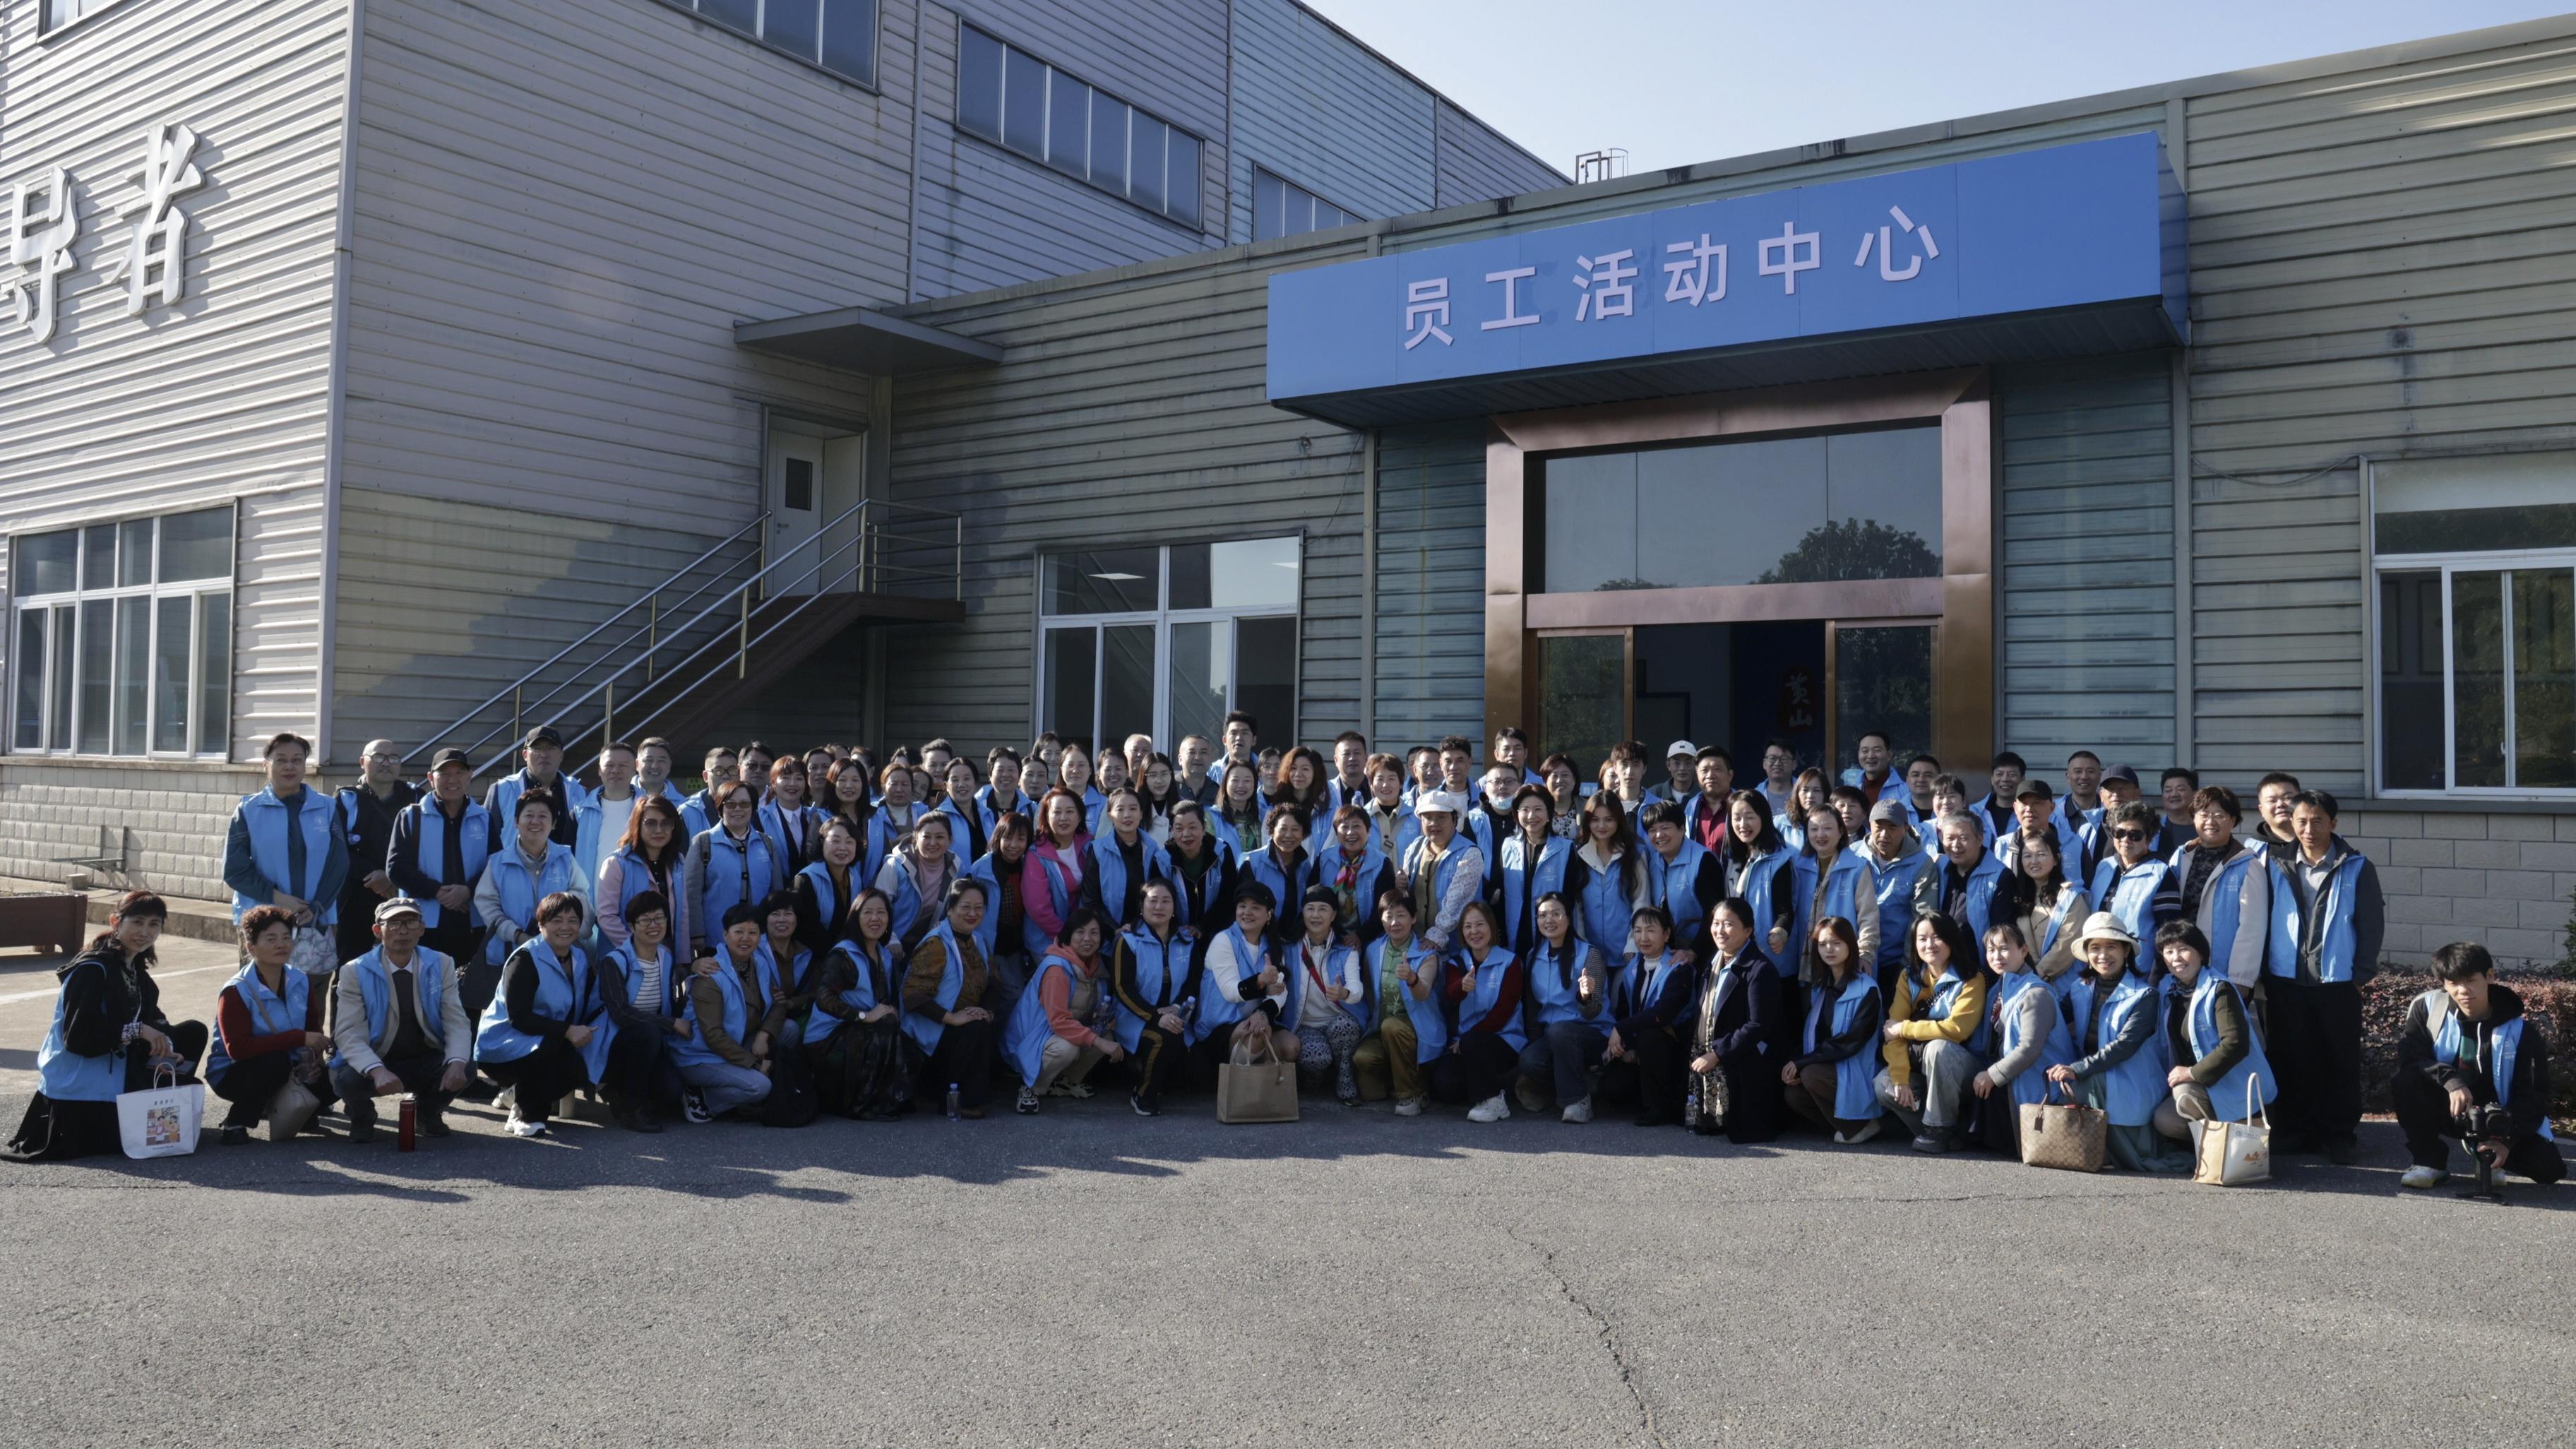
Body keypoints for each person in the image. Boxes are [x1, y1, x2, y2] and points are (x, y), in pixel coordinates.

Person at [8, 892, 208, 1163]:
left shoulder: (135, 970)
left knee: (192, 1033)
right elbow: (78, 1039)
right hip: (83, 1087)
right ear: (115, 921)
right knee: (146, 1131)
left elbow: (153, 1019)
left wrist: (165, 1049)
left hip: (118, 1071)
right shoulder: (91, 970)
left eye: (154, 924)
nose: (145, 932)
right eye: (137, 922)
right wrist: (138, 1031)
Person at [2263, 789, 2384, 1164]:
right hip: (2285, 979)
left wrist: (2359, 975)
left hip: (2338, 981)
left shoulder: (2357, 866)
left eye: (2317, 821)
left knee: (2339, 1060)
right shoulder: (2273, 863)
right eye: (2301, 821)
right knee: (2290, 1056)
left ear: (2333, 822)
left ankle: (2339, 1134)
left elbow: (2371, 924)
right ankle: (2295, 1130)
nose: (2309, 829)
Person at [2392, 941, 2563, 1189]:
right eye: (2453, 983)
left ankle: (2484, 1152)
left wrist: (2507, 1140)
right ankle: (2429, 1161)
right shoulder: (2428, 1009)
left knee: (2549, 1169)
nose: (2463, 990)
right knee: (2406, 1080)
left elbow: (2534, 1093)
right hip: (2448, 1105)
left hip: (2498, 1116)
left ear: (2489, 976)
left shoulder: (2519, 1030)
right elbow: (2412, 1057)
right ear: (2443, 984)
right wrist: (2451, 1081)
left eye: (2471, 980)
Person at [2045, 913, 2186, 1172]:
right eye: (2095, 948)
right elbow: (2052, 1019)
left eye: (2111, 947)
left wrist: (2077, 1069)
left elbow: (2125, 1046)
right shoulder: (2079, 988)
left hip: (2131, 1079)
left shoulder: (2145, 995)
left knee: (2089, 1082)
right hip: (2094, 1072)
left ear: (2125, 951)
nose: (2103, 955)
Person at [328, 897, 472, 1144]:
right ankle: (362, 1116)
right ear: (377, 930)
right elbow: (348, 1034)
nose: (403, 931)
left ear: (422, 929)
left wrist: (457, 1062)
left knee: (465, 1066)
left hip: (423, 1057)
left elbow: (455, 1020)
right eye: (393, 924)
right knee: (345, 1080)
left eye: (411, 923)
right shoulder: (354, 970)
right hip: (376, 1058)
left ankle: (427, 1113)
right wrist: (377, 1070)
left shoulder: (442, 963)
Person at [471, 891, 609, 1138]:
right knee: (549, 1047)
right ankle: (528, 1116)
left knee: (579, 1067)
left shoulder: (579, 957)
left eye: (573, 920)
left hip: (550, 1041)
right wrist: (567, 1031)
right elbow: (519, 1018)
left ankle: (517, 1098)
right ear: (541, 923)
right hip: (502, 1047)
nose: (565, 927)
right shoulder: (525, 958)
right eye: (557, 920)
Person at [206, 905, 336, 1145]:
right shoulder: (236, 990)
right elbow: (238, 1049)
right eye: (271, 939)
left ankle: (299, 1111)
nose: (281, 945)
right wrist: (298, 1038)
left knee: (339, 1073)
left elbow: (313, 1030)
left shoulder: (301, 979)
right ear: (251, 947)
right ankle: (237, 1121)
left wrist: (314, 1061)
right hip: (236, 1073)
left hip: (291, 1066)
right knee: (275, 1063)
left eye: (286, 937)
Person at [2149, 922, 2277, 1157]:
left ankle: (2231, 1148)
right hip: (2204, 1087)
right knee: (2165, 1119)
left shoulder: (2220, 989)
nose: (2176, 958)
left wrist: (2191, 1073)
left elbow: (2235, 1045)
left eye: (2183, 949)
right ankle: (2215, 1148)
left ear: (2201, 952)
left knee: (2184, 1094)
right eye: (2169, 951)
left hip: (2232, 1086)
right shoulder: (2170, 990)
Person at [1873, 912, 1988, 1155]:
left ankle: (1939, 1128)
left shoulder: (1972, 978)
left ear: (1951, 939)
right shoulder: (1909, 977)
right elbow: (1891, 1034)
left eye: (1937, 937)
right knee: (1884, 1084)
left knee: (1938, 1048)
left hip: (1964, 1067)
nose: (1929, 945)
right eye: (1922, 938)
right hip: (1921, 1065)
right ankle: (1945, 1133)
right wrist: (1900, 1077)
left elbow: (1956, 1030)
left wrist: (1904, 1028)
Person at [388, 748, 495, 998]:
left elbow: (496, 866)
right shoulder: (411, 816)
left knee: (468, 1001)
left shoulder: (484, 818)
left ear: (470, 776)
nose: (452, 779)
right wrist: (438, 892)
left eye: (459, 773)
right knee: (424, 998)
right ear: (430, 777)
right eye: (444, 773)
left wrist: (468, 891)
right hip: (424, 927)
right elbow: (396, 868)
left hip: (472, 926)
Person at [224, 731, 350, 942]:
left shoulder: (327, 807)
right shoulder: (248, 809)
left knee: (316, 966)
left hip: (315, 919)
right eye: (281, 760)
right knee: (265, 966)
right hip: (263, 921)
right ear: (265, 765)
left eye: (297, 760)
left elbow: (338, 863)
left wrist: (317, 905)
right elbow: (235, 870)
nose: (289, 766)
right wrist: (278, 898)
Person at [801, 888, 914, 1120]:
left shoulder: (883, 955)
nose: (875, 918)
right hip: (827, 1040)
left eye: (881, 913)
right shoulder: (843, 955)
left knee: (902, 1034)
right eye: (868, 912)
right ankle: (861, 1105)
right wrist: (865, 1016)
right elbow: (824, 998)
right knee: (881, 1028)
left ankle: (887, 1098)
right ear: (855, 917)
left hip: (857, 1031)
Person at [668, 902, 784, 1122]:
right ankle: (701, 1099)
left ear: (760, 936)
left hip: (736, 1044)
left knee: (789, 1031)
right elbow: (713, 1036)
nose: (746, 938)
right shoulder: (711, 973)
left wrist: (764, 1035)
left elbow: (779, 1002)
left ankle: (730, 1090)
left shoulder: (759, 964)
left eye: (753, 933)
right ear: (725, 934)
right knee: (760, 1086)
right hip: (700, 1056)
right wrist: (755, 1064)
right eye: (739, 932)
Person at [1004, 907, 1126, 1114]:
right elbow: (1058, 1021)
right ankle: (1030, 1086)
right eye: (1080, 932)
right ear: (1068, 935)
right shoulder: (1057, 969)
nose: (1087, 939)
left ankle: (1064, 1082)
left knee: (1106, 1035)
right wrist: (1097, 1041)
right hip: (1033, 1039)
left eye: (1094, 933)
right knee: (1069, 1048)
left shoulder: (1097, 967)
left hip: (1059, 1033)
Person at [1968, 922, 2074, 1158]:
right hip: (2012, 1077)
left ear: (2024, 950)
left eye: (2004, 949)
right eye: (1991, 950)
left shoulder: (2036, 994)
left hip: (2037, 1085)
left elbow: (2029, 1049)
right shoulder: (1998, 990)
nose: (1997, 956)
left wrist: (1992, 1075)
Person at [588, 889, 689, 1132]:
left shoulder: (666, 957)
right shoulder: (614, 961)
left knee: (671, 1091)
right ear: (632, 927)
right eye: (645, 920)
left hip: (647, 1042)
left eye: (660, 918)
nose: (654, 925)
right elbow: (621, 1014)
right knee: (647, 1033)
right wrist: (670, 1023)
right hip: (610, 1043)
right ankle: (632, 1111)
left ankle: (619, 1092)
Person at [1684, 898, 1782, 1142]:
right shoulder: (1713, 963)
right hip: (1716, 1051)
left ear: (1748, 931)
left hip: (1745, 1057)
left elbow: (1757, 1025)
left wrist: (1717, 1054)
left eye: (1728, 924)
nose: (1719, 930)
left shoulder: (1760, 969)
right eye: (1716, 923)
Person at [900, 879, 1000, 1117]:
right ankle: (956, 1100)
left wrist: (986, 1011)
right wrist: (951, 1018)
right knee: (974, 1029)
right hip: (931, 1035)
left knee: (983, 1024)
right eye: (965, 907)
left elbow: (994, 984)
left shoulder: (979, 941)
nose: (973, 913)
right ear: (951, 908)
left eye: (979, 908)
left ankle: (970, 1096)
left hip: (964, 1024)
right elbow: (912, 995)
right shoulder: (936, 944)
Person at [1514, 892, 1618, 1121]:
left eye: (1556, 914)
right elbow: (1533, 1009)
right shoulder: (1533, 956)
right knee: (1530, 1060)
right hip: (1554, 1036)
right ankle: (1582, 1082)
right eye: (1543, 915)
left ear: (1569, 918)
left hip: (1592, 1033)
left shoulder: (1590, 954)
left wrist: (1585, 996)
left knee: (1560, 1032)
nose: (1549, 920)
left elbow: (1593, 1012)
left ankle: (1577, 1100)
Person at [1779, 917, 1884, 1143]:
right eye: (1823, 944)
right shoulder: (1820, 988)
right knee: (1794, 1094)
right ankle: (1841, 1126)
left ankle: (1861, 1125)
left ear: (1850, 945)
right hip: (1830, 1068)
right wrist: (1798, 1062)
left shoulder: (1867, 989)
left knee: (1811, 1074)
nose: (1829, 949)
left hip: (1858, 1072)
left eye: (1836, 943)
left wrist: (1803, 1063)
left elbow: (1851, 1042)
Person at [1192, 882, 1304, 1086]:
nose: (1247, 912)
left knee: (1291, 1046)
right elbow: (1230, 991)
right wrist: (1261, 982)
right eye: (1242, 906)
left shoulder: (1273, 945)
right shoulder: (1223, 940)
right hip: (1219, 1028)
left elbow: (1279, 992)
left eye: (1256, 907)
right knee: (1258, 1034)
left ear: (1269, 914)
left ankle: (1257, 1086)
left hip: (1257, 1020)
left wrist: (1263, 1013)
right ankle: (1243, 1089)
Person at [1108, 881, 1201, 1116]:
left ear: (1174, 908)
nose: (1159, 906)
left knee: (1199, 1074)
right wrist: (1156, 1017)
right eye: (1153, 900)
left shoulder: (1187, 941)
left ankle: (1154, 1076)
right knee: (1165, 1038)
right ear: (1142, 906)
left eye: (1166, 901)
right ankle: (1143, 1094)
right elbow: (1122, 988)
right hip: (1136, 1018)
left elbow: (1193, 984)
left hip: (1176, 1017)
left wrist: (1178, 1008)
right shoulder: (1127, 941)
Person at [1599, 905, 1696, 1127]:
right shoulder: (1632, 968)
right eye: (1638, 931)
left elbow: (1662, 1014)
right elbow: (1624, 1012)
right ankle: (1649, 1096)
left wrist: (1621, 1029)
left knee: (1650, 1036)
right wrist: (1628, 1044)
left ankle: (1659, 1107)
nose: (1643, 938)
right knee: (1610, 1089)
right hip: (1640, 1045)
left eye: (1651, 930)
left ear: (1667, 934)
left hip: (1674, 1047)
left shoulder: (1680, 968)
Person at [1352, 890, 1445, 1116]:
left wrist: (1412, 979)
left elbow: (1423, 992)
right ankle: (1401, 1079)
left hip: (1417, 1030)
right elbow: (1369, 990)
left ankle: (1411, 1094)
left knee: (1392, 1026)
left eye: (1401, 915)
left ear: (1413, 918)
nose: (1394, 923)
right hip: (1382, 1029)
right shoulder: (1374, 950)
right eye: (1389, 916)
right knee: (1363, 1060)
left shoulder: (1426, 953)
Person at [1431, 902, 1527, 1123]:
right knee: (1445, 1086)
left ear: (1491, 926)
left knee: (1474, 1042)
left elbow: (1504, 1011)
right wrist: (1461, 986)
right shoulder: (1457, 962)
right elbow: (1451, 993)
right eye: (1468, 927)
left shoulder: (1510, 962)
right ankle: (1489, 1087)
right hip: (1464, 1042)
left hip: (1503, 1040)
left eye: (1480, 925)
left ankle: (1493, 1101)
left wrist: (1466, 1040)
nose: (1474, 931)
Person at [474, 793, 588, 971]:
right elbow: (487, 906)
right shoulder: (497, 863)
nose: (535, 821)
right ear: (516, 821)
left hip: (559, 955)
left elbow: (581, 900)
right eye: (529, 815)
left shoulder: (566, 858)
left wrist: (561, 934)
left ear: (554, 823)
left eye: (543, 816)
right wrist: (517, 935)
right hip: (508, 956)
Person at [2171, 785, 2269, 988]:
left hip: (2222, 972)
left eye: (2219, 815)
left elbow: (2252, 929)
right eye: (2204, 814)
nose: (2210, 821)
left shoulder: (2248, 865)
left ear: (2233, 821)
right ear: (2194, 817)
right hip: (2179, 967)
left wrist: (2241, 979)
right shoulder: (2181, 856)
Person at [334, 738, 418, 960]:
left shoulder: (416, 797)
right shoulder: (346, 799)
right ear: (362, 762)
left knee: (404, 961)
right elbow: (337, 849)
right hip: (356, 896)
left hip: (403, 894)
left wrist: (392, 877)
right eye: (379, 757)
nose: (386, 763)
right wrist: (375, 876)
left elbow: (424, 846)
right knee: (351, 964)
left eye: (393, 758)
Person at [1284, 885, 1367, 1104]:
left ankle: (1345, 1078)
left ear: (1334, 915)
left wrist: (1344, 993)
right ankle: (1314, 1078)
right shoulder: (1289, 950)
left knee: (1345, 1026)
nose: (1316, 915)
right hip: (1304, 1025)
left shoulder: (1346, 951)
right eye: (1310, 908)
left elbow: (1357, 990)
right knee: (1316, 1058)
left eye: (1323, 909)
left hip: (1336, 1021)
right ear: (1303, 913)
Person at [683, 780, 782, 958]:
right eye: (730, 804)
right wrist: (696, 934)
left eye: (744, 804)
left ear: (753, 808)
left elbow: (776, 894)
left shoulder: (767, 843)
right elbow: (691, 894)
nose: (738, 809)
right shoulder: (703, 842)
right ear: (720, 807)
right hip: (715, 941)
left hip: (759, 942)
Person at [1789, 803, 1876, 990]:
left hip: (1845, 960)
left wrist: (1866, 953)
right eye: (1814, 829)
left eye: (1828, 828)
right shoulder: (1798, 866)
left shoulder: (1857, 867)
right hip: (1807, 961)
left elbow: (1868, 916)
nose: (1820, 835)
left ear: (1840, 832)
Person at [597, 794, 691, 956]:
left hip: (666, 954)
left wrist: (683, 960)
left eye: (666, 823)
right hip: (624, 956)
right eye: (651, 823)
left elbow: (682, 914)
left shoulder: (678, 863)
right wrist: (639, 950)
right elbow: (606, 917)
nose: (659, 830)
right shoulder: (616, 863)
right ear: (637, 825)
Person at [1860, 799, 1938, 992]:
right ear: (1870, 825)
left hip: (1895, 962)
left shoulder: (1922, 863)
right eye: (1879, 827)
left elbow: (1921, 917)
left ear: (1905, 829)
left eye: (1892, 828)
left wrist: (1907, 964)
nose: (1884, 835)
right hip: (1856, 957)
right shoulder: (1855, 854)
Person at [1638, 800, 1725, 967]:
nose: (1659, 835)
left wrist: (1694, 952)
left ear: (1682, 828)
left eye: (1665, 828)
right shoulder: (1654, 861)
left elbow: (1714, 914)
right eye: (1652, 830)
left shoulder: (1703, 861)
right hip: (1670, 952)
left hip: (1704, 951)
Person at [1564, 792, 1647, 964]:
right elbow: (1577, 907)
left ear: (1619, 820)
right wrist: (1583, 945)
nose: (1601, 826)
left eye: (1609, 820)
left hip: (1627, 954)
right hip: (1590, 954)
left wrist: (1633, 944)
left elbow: (1642, 901)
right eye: (1595, 820)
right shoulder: (1578, 854)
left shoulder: (1635, 853)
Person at [2004, 828, 2089, 993]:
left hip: (2060, 985)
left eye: (2041, 854)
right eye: (2027, 856)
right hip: (2024, 983)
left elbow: (2067, 944)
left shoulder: (2070, 897)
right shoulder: (2017, 897)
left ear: (2056, 859)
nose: (2034, 861)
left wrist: (2035, 974)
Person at [1400, 790, 1485, 955]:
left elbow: (1457, 903)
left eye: (1441, 817)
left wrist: (1435, 936)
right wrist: (1401, 885)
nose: (1434, 823)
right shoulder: (1416, 847)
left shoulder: (1469, 854)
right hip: (1417, 942)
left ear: (1454, 819)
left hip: (1455, 948)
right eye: (1427, 818)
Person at [2087, 801, 2178, 948]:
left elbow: (2169, 931)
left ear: (2149, 839)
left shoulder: (2161, 873)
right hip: (2101, 957)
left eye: (2135, 835)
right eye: (2119, 833)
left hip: (2139, 960)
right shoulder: (2104, 866)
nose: (2125, 840)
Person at [1491, 785, 1570, 957]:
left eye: (1538, 809)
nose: (1531, 816)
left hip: (1553, 935)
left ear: (1549, 813)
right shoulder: (1508, 846)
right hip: (1516, 933)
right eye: (1525, 810)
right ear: (1517, 814)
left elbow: (1570, 898)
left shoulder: (1566, 849)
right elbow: (1501, 895)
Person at [1080, 786, 1171, 931]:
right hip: (1109, 934)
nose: (1127, 815)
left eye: (1133, 809)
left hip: (1147, 931)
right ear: (1110, 816)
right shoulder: (1098, 850)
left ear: (1141, 814)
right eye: (1120, 809)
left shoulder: (1153, 850)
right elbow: (1091, 900)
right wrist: (1115, 930)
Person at [1717, 793, 1794, 963]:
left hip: (1767, 957)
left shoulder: (1779, 860)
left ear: (1763, 818)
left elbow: (1785, 912)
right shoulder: (1730, 857)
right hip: (1733, 953)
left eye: (1750, 817)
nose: (1743, 824)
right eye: (1737, 818)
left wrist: (1779, 933)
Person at [484, 727, 586, 849]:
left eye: (550, 748)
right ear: (525, 755)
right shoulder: (502, 789)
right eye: (537, 748)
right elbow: (487, 839)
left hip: (565, 862)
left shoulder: (579, 792)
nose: (544, 755)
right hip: (514, 862)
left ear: (561, 755)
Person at [1313, 802, 1397, 949]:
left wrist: (1361, 936)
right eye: (1344, 827)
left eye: (1357, 826)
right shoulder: (1324, 859)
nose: (1350, 832)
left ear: (1368, 831)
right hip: (1329, 937)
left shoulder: (1381, 863)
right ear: (1336, 832)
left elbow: (1384, 908)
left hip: (1370, 940)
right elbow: (1313, 896)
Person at [876, 809, 962, 951]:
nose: (933, 843)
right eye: (926, 837)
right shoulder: (896, 866)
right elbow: (877, 907)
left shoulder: (955, 866)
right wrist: (890, 938)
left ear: (950, 840)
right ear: (915, 838)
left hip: (929, 943)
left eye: (940, 837)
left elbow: (954, 907)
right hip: (891, 941)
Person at [573, 740, 643, 891]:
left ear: (634, 769)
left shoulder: (648, 810)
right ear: (600, 770)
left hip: (639, 901)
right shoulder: (580, 812)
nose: (615, 770)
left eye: (623, 765)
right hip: (589, 901)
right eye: (609, 765)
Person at [1162, 801, 1239, 941]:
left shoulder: (1221, 852)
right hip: (1175, 935)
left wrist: (1202, 926)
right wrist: (1179, 930)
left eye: (1193, 827)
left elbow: (1229, 897)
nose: (1186, 834)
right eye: (1179, 829)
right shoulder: (1162, 860)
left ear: (1204, 827)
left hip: (1216, 933)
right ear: (1172, 831)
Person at [792, 816, 867, 956]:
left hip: (846, 953)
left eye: (849, 842)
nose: (843, 848)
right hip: (813, 957)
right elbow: (806, 930)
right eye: (835, 841)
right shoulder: (806, 879)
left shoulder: (854, 876)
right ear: (822, 842)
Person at [1932, 810, 2008, 947]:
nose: (1956, 845)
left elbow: (2002, 933)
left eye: (1963, 838)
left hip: (1978, 957)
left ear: (1980, 839)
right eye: (1950, 838)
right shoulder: (1937, 867)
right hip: (1941, 955)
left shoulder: (2000, 876)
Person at [758, 756, 828, 869]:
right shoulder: (760, 818)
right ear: (774, 784)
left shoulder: (817, 817)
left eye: (799, 778)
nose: (792, 784)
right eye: (785, 778)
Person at [864, 759, 926, 874]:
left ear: (911, 787)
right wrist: (892, 844)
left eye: (905, 784)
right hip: (879, 877)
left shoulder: (923, 813)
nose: (899, 789)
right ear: (883, 787)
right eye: (893, 784)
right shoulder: (871, 814)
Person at [1359, 752, 1420, 861]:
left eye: (1392, 779)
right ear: (1371, 784)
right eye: (1380, 779)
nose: (1385, 785)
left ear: (1401, 783)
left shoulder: (1416, 818)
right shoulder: (1361, 818)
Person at [1681, 746, 1735, 854]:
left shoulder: (1743, 804)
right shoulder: (1691, 806)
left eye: (1717, 769)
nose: (1710, 775)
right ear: (1697, 776)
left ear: (1730, 775)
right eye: (1704, 770)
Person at [680, 746, 741, 837]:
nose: (726, 776)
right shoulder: (688, 812)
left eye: (732, 770)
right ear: (705, 777)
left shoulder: (748, 809)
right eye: (718, 771)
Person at [1210, 760, 1266, 855]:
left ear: (1255, 785)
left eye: (1247, 781)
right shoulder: (1211, 817)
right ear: (1225, 783)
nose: (1241, 786)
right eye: (1235, 780)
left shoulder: (1263, 816)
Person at [1839, 729, 1903, 804]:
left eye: (1877, 750)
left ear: (1889, 755)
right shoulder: (1850, 790)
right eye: (1865, 751)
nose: (1870, 756)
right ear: (1859, 754)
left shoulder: (1905, 791)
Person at [1972, 752, 2025, 840]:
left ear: (2022, 779)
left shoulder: (2030, 813)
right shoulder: (1975, 812)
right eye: (1999, 774)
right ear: (1992, 780)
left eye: (2012, 774)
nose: (2005, 779)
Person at [2154, 768, 2200, 857]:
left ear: (2195, 794)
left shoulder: (2207, 828)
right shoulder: (2154, 830)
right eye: (2168, 791)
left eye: (2181, 789)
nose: (2174, 794)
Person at [1754, 739, 1799, 823]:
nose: (1777, 763)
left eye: (1784, 759)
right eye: (1772, 758)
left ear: (1794, 764)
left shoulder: (1804, 793)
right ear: (1764, 764)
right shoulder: (1754, 796)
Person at [1542, 753, 1585, 840]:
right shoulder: (1538, 807)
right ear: (1546, 781)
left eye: (1565, 775)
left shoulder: (1587, 808)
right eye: (1554, 776)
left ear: (1574, 779)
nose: (1559, 780)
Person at [1649, 739, 1698, 806]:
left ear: (1696, 765)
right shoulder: (1654, 794)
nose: (1682, 768)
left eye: (1688, 763)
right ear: (1669, 766)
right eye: (1676, 763)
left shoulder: (1703, 795)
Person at [1176, 732, 1219, 807]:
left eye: (1203, 753)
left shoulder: (1218, 793)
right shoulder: (1169, 788)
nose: (1198, 758)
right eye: (1192, 752)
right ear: (1180, 759)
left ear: (1211, 759)